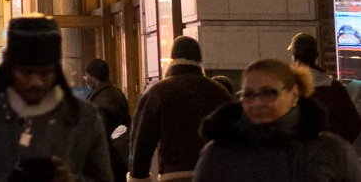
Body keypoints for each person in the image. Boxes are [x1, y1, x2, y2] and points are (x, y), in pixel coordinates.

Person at [0, 17, 114, 182]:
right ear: (10, 69)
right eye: (26, 72)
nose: (36, 82)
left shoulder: (84, 116)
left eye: (45, 73)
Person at [191, 57, 361, 182]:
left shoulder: (331, 152)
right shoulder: (218, 154)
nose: (257, 103)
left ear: (294, 94)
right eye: (249, 95)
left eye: (268, 93)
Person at [131, 40, 234, 182]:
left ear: (172, 60)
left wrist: (138, 176)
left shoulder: (158, 92)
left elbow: (141, 141)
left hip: (173, 175)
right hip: (214, 173)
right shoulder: (220, 92)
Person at [290, 37, 360, 144]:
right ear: (316, 56)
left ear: (294, 57)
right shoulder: (335, 88)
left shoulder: (289, 88)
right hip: (331, 152)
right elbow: (353, 124)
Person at [82, 60, 133, 176]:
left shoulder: (101, 102)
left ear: (93, 77)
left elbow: (99, 136)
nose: (86, 79)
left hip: (110, 161)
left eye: (87, 76)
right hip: (120, 157)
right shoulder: (115, 93)